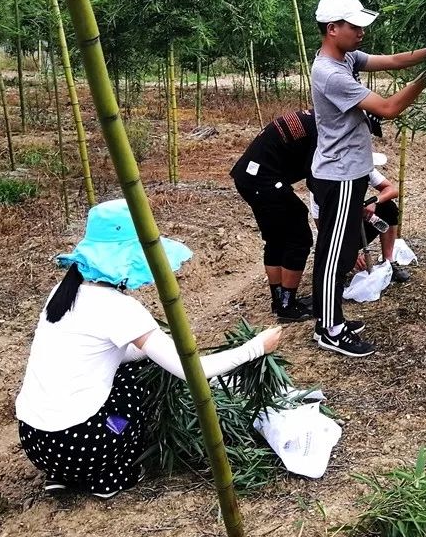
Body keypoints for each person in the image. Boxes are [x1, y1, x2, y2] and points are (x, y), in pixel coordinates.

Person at [15, 199, 281, 498]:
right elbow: (192, 372)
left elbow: (102, 356)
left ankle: (61, 476)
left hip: (35, 441)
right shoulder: (119, 307)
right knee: (137, 385)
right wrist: (256, 347)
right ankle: (112, 476)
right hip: (82, 445)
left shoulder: (61, 293)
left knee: (131, 367)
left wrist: (148, 350)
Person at [310, 0, 426, 358]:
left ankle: (329, 319)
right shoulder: (330, 72)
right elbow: (389, 107)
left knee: (340, 249)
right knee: (336, 254)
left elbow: (396, 60)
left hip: (349, 171)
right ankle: (330, 330)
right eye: (355, 26)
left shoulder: (346, 57)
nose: (362, 32)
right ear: (333, 28)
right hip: (339, 175)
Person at [230, 110, 318, 322]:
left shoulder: (314, 117)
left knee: (276, 238)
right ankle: (287, 305)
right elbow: (315, 176)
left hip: (248, 176)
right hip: (263, 180)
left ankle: (279, 301)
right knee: (299, 237)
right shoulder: (324, 128)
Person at [310, 156, 411, 283]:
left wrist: (373, 201)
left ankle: (389, 262)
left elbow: (392, 190)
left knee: (388, 207)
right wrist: (349, 252)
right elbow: (322, 227)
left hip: (358, 223)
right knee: (338, 270)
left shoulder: (363, 167)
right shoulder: (322, 180)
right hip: (337, 235)